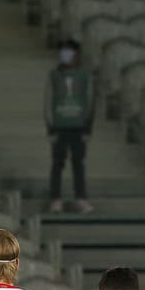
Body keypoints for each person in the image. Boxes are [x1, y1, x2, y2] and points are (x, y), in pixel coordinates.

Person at [45, 38, 96, 215]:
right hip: (60, 126)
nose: (65, 55)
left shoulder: (85, 75)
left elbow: (89, 101)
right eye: (63, 51)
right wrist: (50, 128)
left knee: (78, 164)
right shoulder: (54, 75)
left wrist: (88, 127)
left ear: (77, 54)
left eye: (69, 51)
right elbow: (48, 101)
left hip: (78, 127)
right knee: (57, 164)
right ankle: (55, 199)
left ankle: (80, 198)